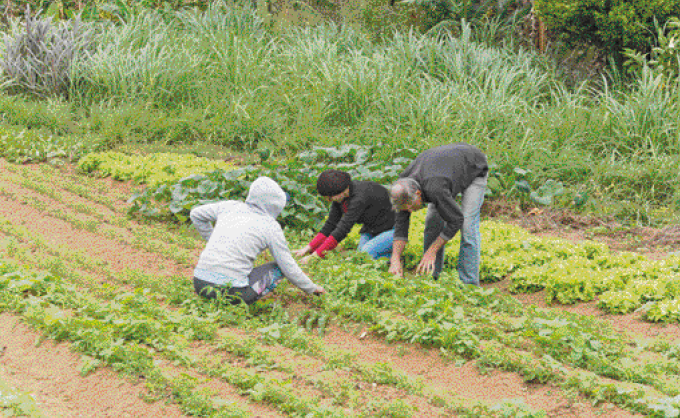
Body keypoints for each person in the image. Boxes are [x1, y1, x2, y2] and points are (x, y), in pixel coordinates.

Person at [190, 176, 326, 304]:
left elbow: (196, 214)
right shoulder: (271, 226)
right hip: (234, 294)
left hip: (200, 284)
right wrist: (312, 288)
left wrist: (211, 238)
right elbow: (288, 266)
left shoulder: (229, 206)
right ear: (277, 205)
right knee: (279, 268)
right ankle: (241, 299)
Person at [388, 143, 488, 285]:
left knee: (467, 225)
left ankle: (469, 284)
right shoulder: (402, 190)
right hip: (445, 171)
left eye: (410, 207)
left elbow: (456, 220)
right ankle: (431, 278)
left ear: (418, 194)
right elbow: (401, 227)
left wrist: (431, 251)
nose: (409, 211)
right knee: (432, 222)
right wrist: (395, 259)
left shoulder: (435, 188)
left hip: (473, 167)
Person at [295, 169, 395, 262]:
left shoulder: (359, 198)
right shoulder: (340, 198)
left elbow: (342, 230)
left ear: (341, 191)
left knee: (364, 254)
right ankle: (387, 251)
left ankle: (394, 256)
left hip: (394, 229)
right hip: (372, 230)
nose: (329, 201)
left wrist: (314, 256)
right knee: (361, 255)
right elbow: (330, 225)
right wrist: (308, 248)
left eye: (330, 198)